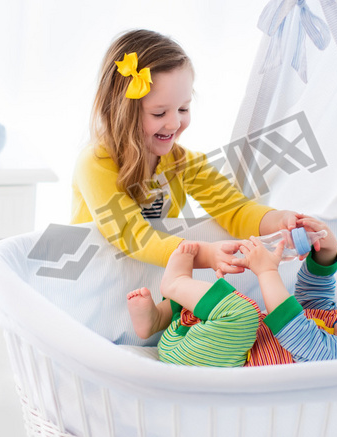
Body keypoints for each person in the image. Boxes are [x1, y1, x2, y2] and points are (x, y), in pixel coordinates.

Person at [71, 29, 303, 274]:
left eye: (183, 109)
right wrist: (204, 254)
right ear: (122, 112)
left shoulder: (183, 163)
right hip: (94, 276)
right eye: (159, 113)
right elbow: (132, 234)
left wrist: (280, 222)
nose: (173, 124)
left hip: (146, 277)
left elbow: (234, 209)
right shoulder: (95, 163)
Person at [126, 217, 337, 367]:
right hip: (201, 341)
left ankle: (174, 284)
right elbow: (314, 295)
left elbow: (292, 326)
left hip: (214, 364)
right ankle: (155, 321)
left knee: (242, 313)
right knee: (218, 311)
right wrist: (325, 252)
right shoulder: (336, 322)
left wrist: (267, 270)